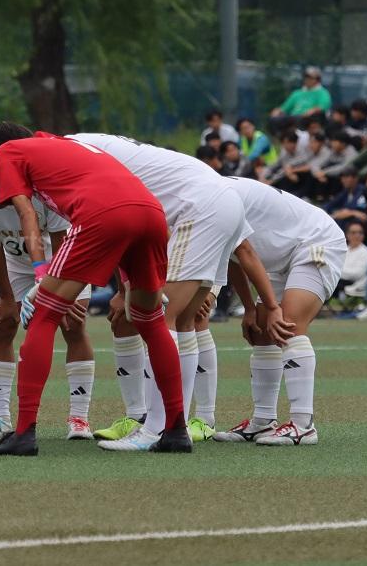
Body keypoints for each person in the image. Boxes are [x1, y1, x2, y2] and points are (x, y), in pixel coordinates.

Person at [0, 125, 188, 455]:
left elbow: (26, 212)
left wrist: (42, 275)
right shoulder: (56, 143)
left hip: (103, 216)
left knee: (44, 315)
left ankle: (24, 433)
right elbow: (119, 202)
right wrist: (129, 282)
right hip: (150, 212)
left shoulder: (7, 152)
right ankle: (176, 431)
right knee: (151, 320)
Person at [65, 133, 284, 449]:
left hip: (207, 224)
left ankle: (176, 424)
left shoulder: (205, 188)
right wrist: (124, 288)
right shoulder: (157, 178)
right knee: (162, 320)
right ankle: (162, 421)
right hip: (196, 228)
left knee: (166, 319)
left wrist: (259, 305)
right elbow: (127, 230)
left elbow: (244, 252)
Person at [0, 168, 96, 441]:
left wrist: (65, 294)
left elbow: (61, 241)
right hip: (14, 264)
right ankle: (0, 419)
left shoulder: (48, 180)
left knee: (73, 326)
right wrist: (8, 299)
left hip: (65, 259)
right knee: (1, 326)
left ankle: (79, 420)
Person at [215, 177, 345, 446]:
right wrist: (250, 309)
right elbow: (234, 257)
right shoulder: (207, 193)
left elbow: (245, 252)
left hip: (314, 239)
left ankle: (303, 424)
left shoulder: (214, 197)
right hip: (277, 256)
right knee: (262, 332)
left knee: (288, 325)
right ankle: (263, 421)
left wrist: (271, 307)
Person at [337, 222, 367, 297]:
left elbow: (358, 274)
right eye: (353, 232)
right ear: (347, 235)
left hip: (354, 284)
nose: (357, 235)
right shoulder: (343, 249)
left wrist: (337, 272)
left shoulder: (366, 252)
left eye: (360, 233)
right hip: (340, 279)